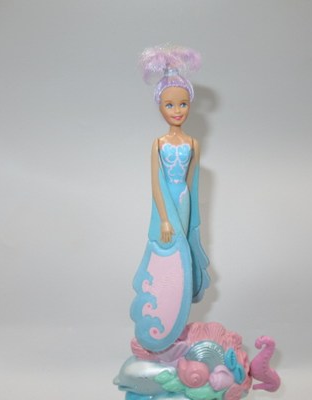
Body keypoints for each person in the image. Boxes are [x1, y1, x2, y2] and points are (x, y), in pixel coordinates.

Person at [130, 45, 210, 352]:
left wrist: (188, 216)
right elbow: (156, 183)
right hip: (165, 204)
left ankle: (178, 306)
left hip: (184, 201)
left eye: (183, 104)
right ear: (160, 107)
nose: (177, 110)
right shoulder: (159, 144)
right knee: (167, 253)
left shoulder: (193, 143)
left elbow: (192, 182)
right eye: (170, 105)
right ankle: (163, 314)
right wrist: (164, 218)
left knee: (182, 252)